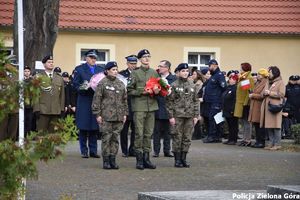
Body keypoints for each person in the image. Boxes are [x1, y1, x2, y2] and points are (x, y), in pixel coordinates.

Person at [127, 49, 159, 170]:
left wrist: (158, 91)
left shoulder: (154, 73)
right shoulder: (135, 73)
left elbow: (158, 88)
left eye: (148, 56)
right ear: (140, 59)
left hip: (151, 106)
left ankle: (147, 158)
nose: (146, 59)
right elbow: (129, 90)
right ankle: (139, 160)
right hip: (139, 107)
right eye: (144, 57)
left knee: (148, 133)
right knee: (139, 134)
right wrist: (142, 91)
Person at [92, 61, 128, 169]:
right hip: (106, 116)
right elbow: (96, 100)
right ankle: (106, 161)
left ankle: (113, 159)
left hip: (118, 116)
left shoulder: (120, 83)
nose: (115, 72)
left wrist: (125, 114)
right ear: (107, 71)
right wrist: (97, 114)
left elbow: (125, 100)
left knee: (115, 138)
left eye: (116, 69)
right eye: (113, 70)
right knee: (106, 138)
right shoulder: (102, 83)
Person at [166, 63, 199, 167]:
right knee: (177, 137)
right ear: (178, 72)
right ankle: (177, 160)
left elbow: (196, 101)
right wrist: (171, 116)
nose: (185, 73)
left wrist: (196, 116)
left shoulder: (192, 85)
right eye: (183, 71)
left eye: (186, 71)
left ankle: (184, 159)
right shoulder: (174, 85)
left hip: (189, 116)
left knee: (187, 137)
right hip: (177, 116)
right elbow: (169, 102)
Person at [73, 49, 103, 158]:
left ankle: (93, 150)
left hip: (96, 101)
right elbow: (75, 85)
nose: (93, 60)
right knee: (84, 127)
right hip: (84, 100)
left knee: (94, 127)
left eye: (95, 58)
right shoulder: (79, 69)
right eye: (91, 57)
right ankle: (84, 150)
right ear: (86, 58)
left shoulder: (100, 70)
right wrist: (85, 87)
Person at [33, 55, 65, 133]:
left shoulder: (59, 78)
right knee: (41, 134)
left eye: (52, 62)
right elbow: (35, 94)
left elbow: (62, 95)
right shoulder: (38, 77)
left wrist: (61, 109)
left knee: (53, 135)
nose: (51, 63)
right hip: (43, 110)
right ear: (44, 64)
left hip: (55, 110)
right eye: (49, 62)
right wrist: (36, 109)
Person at [153, 60, 176, 157]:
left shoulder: (174, 79)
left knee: (168, 132)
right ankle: (156, 151)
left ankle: (167, 151)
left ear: (167, 68)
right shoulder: (156, 78)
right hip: (157, 107)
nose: (159, 68)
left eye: (161, 66)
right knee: (156, 131)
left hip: (169, 108)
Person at [260, 66, 285, 150]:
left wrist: (270, 93)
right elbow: (262, 93)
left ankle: (277, 144)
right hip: (267, 107)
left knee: (276, 126)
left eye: (270, 72)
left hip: (275, 107)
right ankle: (271, 143)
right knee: (269, 126)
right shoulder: (268, 81)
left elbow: (282, 94)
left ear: (275, 73)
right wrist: (264, 93)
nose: (268, 74)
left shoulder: (280, 82)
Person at [202, 59, 227, 143]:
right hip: (211, 101)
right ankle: (217, 136)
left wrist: (219, 99)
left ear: (214, 65)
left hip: (216, 101)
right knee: (216, 119)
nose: (208, 68)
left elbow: (224, 88)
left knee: (213, 118)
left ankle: (212, 136)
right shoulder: (214, 75)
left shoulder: (219, 75)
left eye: (209, 66)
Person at [119, 55, 138, 157]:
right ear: (127, 64)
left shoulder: (139, 73)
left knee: (135, 130)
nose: (133, 65)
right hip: (125, 105)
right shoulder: (122, 74)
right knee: (124, 130)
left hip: (136, 105)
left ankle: (132, 149)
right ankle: (124, 150)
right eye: (131, 63)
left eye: (135, 63)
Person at [234, 62, 254, 147]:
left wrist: (246, 103)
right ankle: (244, 139)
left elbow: (247, 92)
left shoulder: (247, 78)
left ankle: (247, 140)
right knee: (243, 122)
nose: (239, 69)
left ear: (245, 69)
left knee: (246, 123)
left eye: (241, 68)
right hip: (241, 103)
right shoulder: (242, 78)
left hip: (245, 104)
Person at [248, 68, 269, 148]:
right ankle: (258, 141)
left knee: (260, 125)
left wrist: (253, 95)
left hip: (260, 106)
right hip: (255, 106)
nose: (257, 76)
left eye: (259, 74)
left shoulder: (266, 83)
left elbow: (262, 95)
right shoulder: (258, 82)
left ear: (263, 75)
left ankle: (261, 142)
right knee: (256, 124)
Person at [222, 72, 239, 145]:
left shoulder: (235, 88)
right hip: (226, 109)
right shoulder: (229, 87)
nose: (230, 80)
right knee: (229, 125)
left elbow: (235, 100)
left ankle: (233, 139)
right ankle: (230, 139)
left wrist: (233, 109)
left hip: (232, 110)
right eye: (230, 78)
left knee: (233, 126)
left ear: (235, 80)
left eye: (232, 79)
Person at [191, 70, 204, 140]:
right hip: (195, 101)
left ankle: (197, 134)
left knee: (197, 117)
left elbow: (198, 94)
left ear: (198, 75)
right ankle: (197, 134)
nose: (193, 75)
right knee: (196, 117)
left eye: (194, 74)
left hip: (197, 102)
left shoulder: (198, 84)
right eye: (192, 74)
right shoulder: (195, 83)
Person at [24, 66, 33, 136]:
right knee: (23, 120)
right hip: (22, 104)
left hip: (30, 105)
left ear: (30, 72)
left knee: (30, 120)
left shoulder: (32, 81)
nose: (27, 73)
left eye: (28, 71)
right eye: (25, 71)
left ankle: (28, 134)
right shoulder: (21, 80)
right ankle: (23, 134)